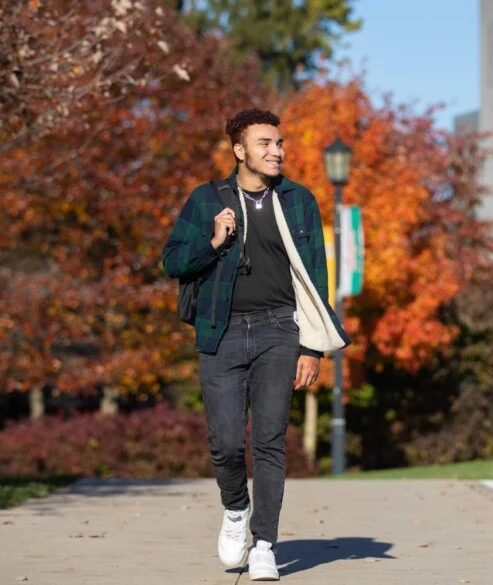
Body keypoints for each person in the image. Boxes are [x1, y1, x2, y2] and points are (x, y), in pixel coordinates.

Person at [162, 108, 349, 581]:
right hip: (221, 331)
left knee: (268, 442)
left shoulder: (299, 201)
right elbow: (172, 261)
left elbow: (314, 277)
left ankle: (265, 543)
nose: (277, 151)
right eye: (264, 143)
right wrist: (213, 239)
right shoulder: (207, 199)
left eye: (280, 143)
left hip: (278, 330)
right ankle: (234, 509)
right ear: (239, 150)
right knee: (225, 444)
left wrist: (313, 346)